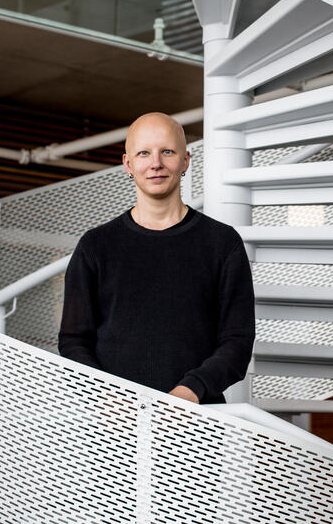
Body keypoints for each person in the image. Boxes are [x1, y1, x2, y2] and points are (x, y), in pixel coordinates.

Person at [58, 112, 256, 404]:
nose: (155, 164)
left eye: (167, 151)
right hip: (112, 426)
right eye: (143, 153)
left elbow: (237, 342)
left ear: (186, 160)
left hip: (198, 423)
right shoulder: (95, 246)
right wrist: (106, 397)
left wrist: (191, 391)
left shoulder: (223, 244)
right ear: (128, 164)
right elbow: (74, 341)